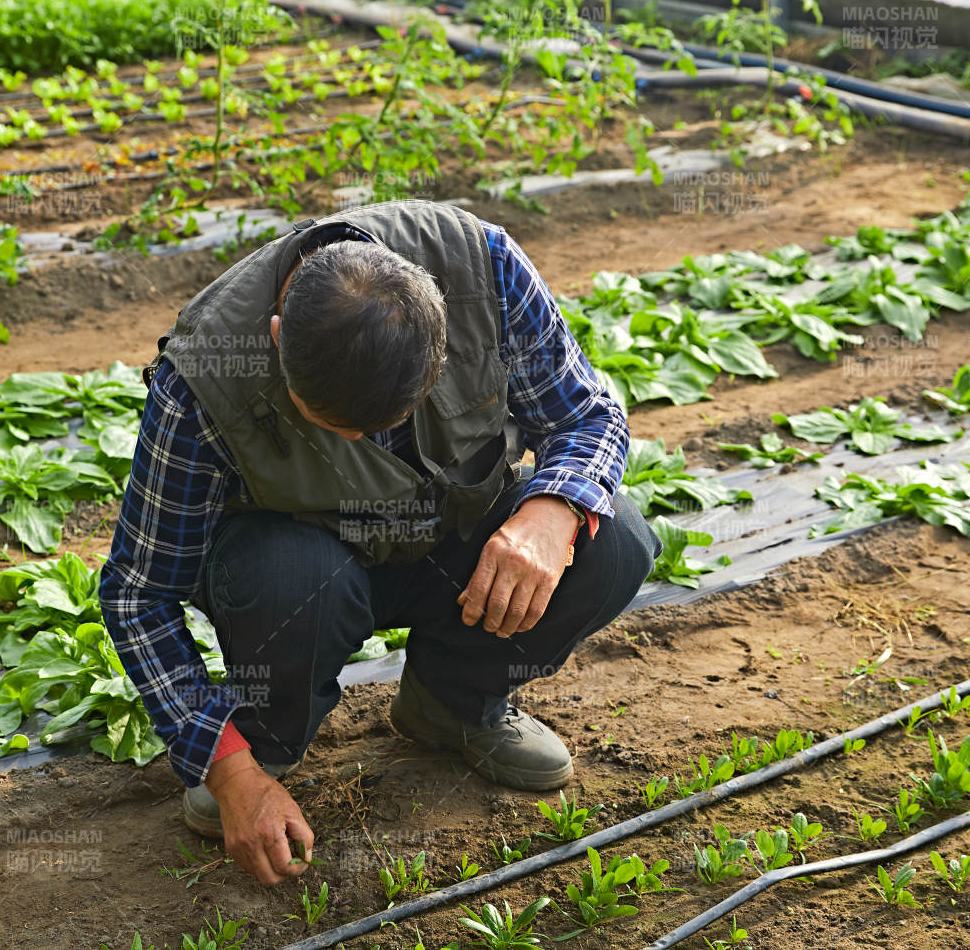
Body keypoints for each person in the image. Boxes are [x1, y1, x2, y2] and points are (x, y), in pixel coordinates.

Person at [101, 200, 660, 887]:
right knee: (286, 578)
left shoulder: (486, 270)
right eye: (333, 427)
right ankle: (265, 742)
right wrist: (228, 766)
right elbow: (137, 593)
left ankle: (453, 703)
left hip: (450, 540)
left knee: (616, 540)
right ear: (277, 337)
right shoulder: (204, 380)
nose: (360, 447)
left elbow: (589, 413)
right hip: (310, 573)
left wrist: (555, 506)